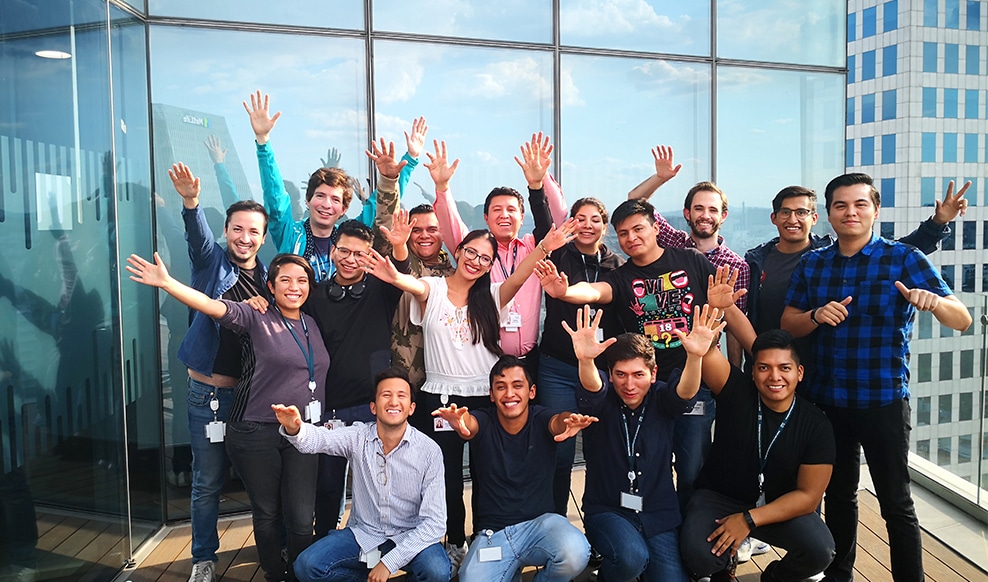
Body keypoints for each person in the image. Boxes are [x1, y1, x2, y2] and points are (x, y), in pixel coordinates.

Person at [781, 173, 973, 582]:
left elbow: (963, 320)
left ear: (875, 210)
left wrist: (935, 302)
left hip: (883, 398)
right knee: (839, 494)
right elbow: (788, 323)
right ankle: (839, 575)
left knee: (896, 502)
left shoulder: (903, 258)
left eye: (860, 204)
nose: (851, 212)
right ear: (828, 214)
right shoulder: (813, 264)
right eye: (841, 205)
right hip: (827, 400)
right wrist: (815, 316)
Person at [361, 214, 576, 570]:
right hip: (439, 398)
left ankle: (484, 534)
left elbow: (521, 274)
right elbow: (405, 281)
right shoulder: (432, 287)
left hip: (484, 400)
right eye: (471, 252)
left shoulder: (492, 295)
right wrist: (398, 253)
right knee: (444, 476)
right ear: (458, 250)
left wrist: (543, 248)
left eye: (485, 258)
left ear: (491, 266)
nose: (476, 261)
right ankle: (455, 539)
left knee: (486, 472)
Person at [537, 198, 755, 512]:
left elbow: (729, 310)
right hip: (645, 391)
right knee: (649, 465)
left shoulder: (691, 260)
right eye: (623, 233)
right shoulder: (621, 277)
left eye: (638, 229)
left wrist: (758, 355)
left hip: (692, 380)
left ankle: (691, 538)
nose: (631, 238)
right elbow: (594, 291)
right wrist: (564, 292)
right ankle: (657, 530)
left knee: (693, 465)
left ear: (655, 228)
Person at [127, 252, 330, 582]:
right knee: (267, 512)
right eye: (286, 280)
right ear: (270, 287)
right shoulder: (254, 315)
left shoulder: (312, 323)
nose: (295, 287)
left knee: (301, 514)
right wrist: (166, 283)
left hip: (302, 432)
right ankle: (276, 574)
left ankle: (300, 573)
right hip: (255, 431)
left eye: (302, 280)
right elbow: (211, 306)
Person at [299, 139, 415, 538]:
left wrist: (398, 248)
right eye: (343, 251)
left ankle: (370, 543)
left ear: (369, 256)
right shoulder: (314, 296)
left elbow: (400, 271)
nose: (350, 259)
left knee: (371, 484)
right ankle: (324, 545)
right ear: (333, 250)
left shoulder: (382, 291)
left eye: (359, 254)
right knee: (328, 485)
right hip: (330, 408)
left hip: (372, 407)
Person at [567, 304, 724, 582]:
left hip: (657, 512)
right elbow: (593, 385)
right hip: (608, 509)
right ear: (611, 374)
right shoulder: (603, 400)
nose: (629, 384)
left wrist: (695, 357)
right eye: (621, 374)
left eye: (638, 375)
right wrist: (585, 361)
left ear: (652, 374)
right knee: (631, 559)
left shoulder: (661, 397)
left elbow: (685, 393)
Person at [167, 162, 269, 582]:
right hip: (206, 397)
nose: (245, 238)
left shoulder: (268, 279)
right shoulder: (212, 265)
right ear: (227, 231)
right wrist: (191, 201)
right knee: (207, 481)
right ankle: (203, 559)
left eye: (253, 232)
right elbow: (198, 238)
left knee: (262, 480)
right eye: (237, 229)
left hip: (250, 397)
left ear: (263, 238)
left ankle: (272, 548)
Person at [680, 328, 836, 582]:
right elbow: (707, 354)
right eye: (764, 368)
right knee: (699, 554)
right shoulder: (738, 392)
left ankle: (777, 576)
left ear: (800, 373)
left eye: (785, 368)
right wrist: (715, 321)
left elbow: (809, 497)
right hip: (720, 498)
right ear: (752, 373)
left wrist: (749, 520)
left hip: (777, 505)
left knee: (820, 550)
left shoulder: (816, 425)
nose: (775, 376)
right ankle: (722, 569)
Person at [274, 367, 450, 582]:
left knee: (437, 571)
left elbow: (435, 523)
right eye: (386, 395)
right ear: (373, 407)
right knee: (307, 566)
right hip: (365, 534)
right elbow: (321, 439)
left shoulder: (429, 451)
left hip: (410, 536)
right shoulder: (358, 437)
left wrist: (388, 562)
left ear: (411, 408)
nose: (394, 402)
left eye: (401, 396)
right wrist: (296, 429)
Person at [432, 356, 595, 582]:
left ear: (532, 391)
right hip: (494, 535)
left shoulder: (541, 418)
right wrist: (459, 422)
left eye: (517, 386)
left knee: (575, 551)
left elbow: (557, 420)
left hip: (540, 528)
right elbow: (469, 424)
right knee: (470, 578)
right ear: (491, 394)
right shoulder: (485, 420)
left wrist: (569, 420)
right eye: (501, 387)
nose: (509, 394)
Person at [744, 181, 967, 342]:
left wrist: (938, 222)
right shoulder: (758, 260)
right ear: (774, 218)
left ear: (815, 218)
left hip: (821, 367)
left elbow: (896, 252)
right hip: (776, 366)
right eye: (785, 212)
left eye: (801, 212)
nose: (793, 219)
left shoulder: (829, 253)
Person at [428, 133, 569, 372]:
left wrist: (539, 182)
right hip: (482, 359)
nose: (504, 215)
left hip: (529, 360)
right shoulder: (476, 253)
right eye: (497, 210)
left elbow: (556, 219)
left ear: (522, 217)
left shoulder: (533, 246)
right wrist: (442, 187)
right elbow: (450, 224)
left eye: (511, 210)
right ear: (486, 217)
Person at [244, 91, 420, 282]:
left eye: (335, 199)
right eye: (320, 196)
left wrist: (405, 164)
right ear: (308, 200)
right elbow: (275, 195)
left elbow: (381, 203)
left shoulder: (351, 236)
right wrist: (263, 143)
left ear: (344, 209)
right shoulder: (290, 233)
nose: (326, 204)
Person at [537, 188, 624, 515]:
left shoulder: (618, 267)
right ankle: (556, 522)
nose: (588, 225)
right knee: (560, 449)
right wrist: (536, 187)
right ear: (571, 223)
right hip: (557, 367)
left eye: (596, 219)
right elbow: (542, 225)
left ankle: (601, 525)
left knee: (603, 451)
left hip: (599, 375)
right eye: (580, 218)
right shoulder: (558, 255)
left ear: (605, 226)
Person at [389, 203, 456, 390]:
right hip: (404, 380)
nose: (424, 235)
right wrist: (389, 180)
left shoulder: (456, 275)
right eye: (416, 230)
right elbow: (398, 260)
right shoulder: (400, 265)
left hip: (445, 381)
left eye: (432, 229)